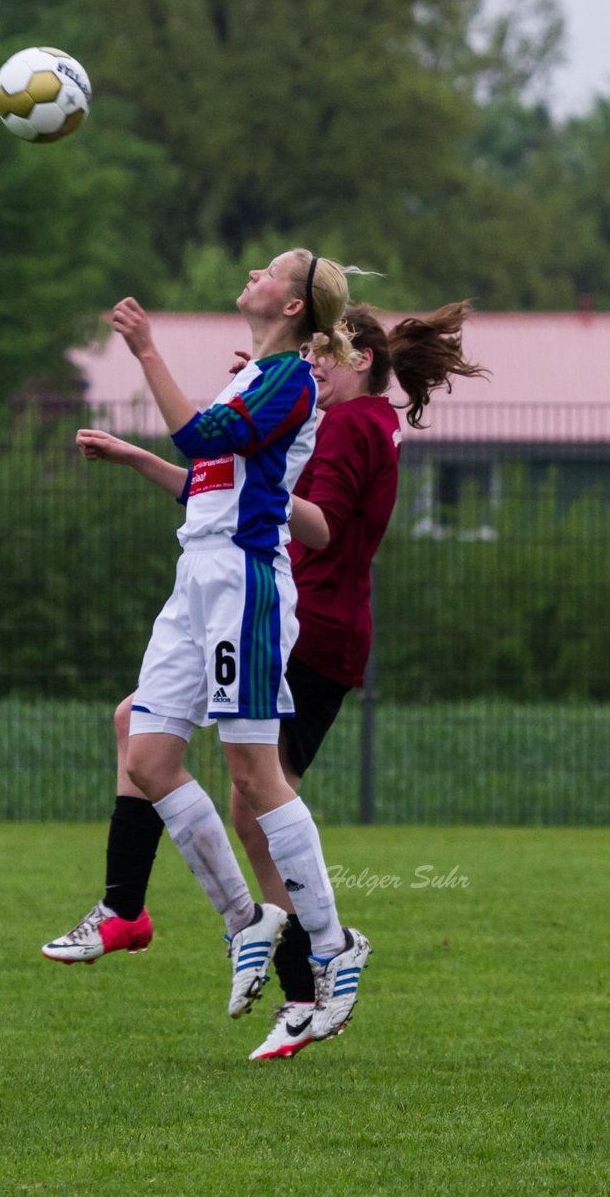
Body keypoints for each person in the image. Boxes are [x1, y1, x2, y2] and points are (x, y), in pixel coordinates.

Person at [44, 298, 486, 1059]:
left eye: (331, 354)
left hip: (310, 626)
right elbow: (224, 481)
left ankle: (312, 968)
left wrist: (266, 438)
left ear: (360, 363)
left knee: (252, 795)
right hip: (287, 611)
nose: (317, 362)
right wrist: (187, 449)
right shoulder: (339, 411)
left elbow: (317, 525)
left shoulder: (351, 422)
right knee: (144, 732)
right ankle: (179, 923)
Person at [45, 248, 374, 1042]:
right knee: (148, 757)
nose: (253, 274)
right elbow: (207, 477)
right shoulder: (254, 375)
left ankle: (334, 945)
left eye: (269, 270)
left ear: (293, 305)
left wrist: (147, 349)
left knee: (253, 774)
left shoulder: (289, 381)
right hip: (195, 581)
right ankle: (244, 922)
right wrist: (131, 456)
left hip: (244, 588)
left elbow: (200, 439)